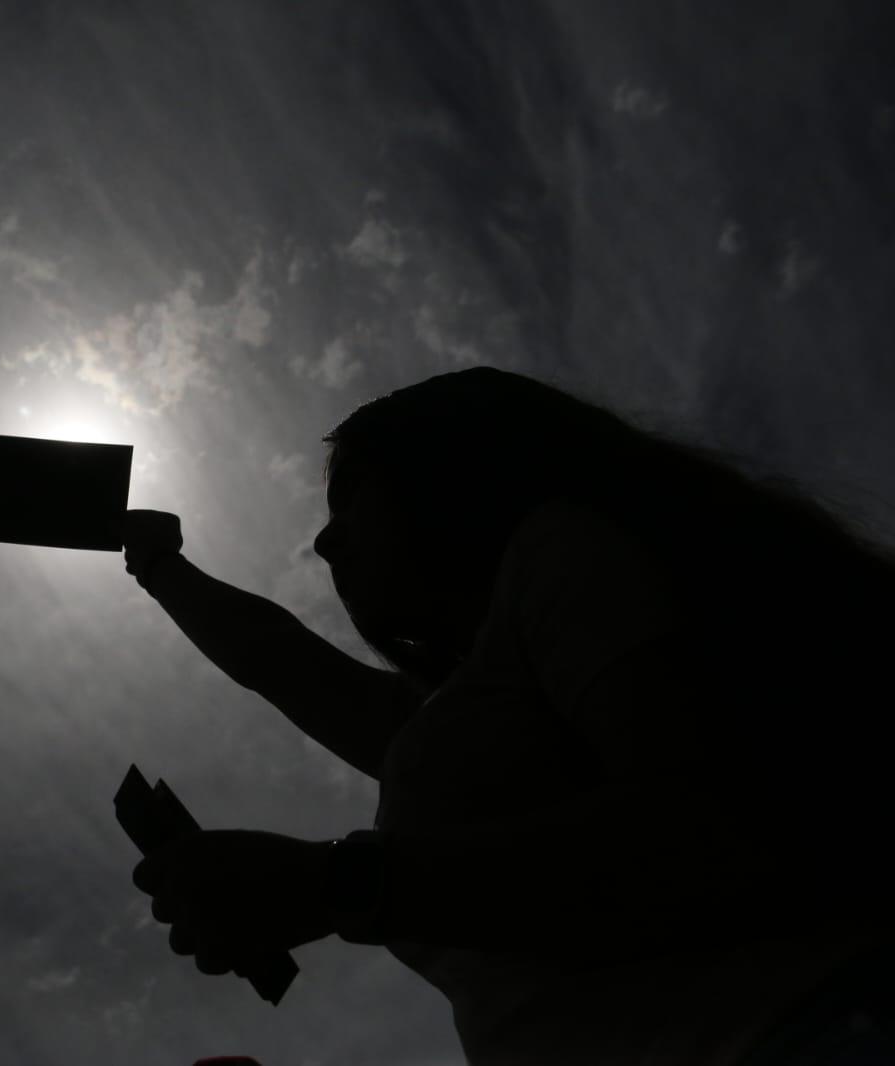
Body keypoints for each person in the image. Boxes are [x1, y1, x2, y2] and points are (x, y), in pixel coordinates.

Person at [120, 367, 895, 1065]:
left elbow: (706, 823)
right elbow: (284, 665)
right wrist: (159, 567)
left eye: (352, 493)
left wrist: (337, 883)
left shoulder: (562, 557)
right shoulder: (470, 708)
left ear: (444, 472)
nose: (324, 540)